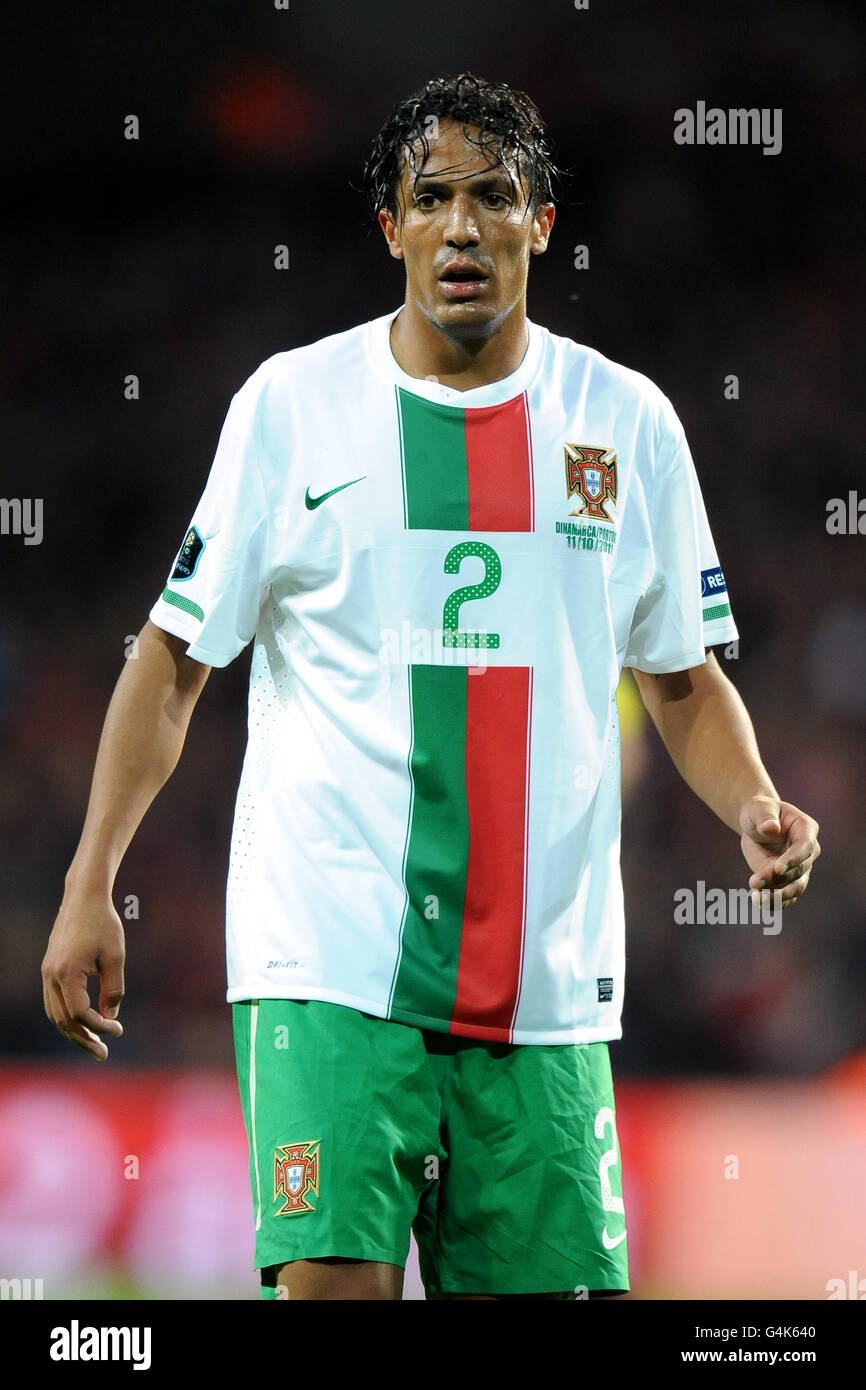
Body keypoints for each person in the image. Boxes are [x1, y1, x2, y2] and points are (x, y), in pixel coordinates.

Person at [42, 72, 820, 1301]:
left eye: (494, 197)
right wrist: (92, 879)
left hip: (546, 982)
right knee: (334, 1287)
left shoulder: (625, 423)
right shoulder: (290, 408)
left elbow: (679, 678)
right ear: (391, 227)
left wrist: (753, 802)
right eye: (433, 198)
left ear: (542, 221)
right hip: (332, 952)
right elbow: (172, 656)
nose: (463, 226)